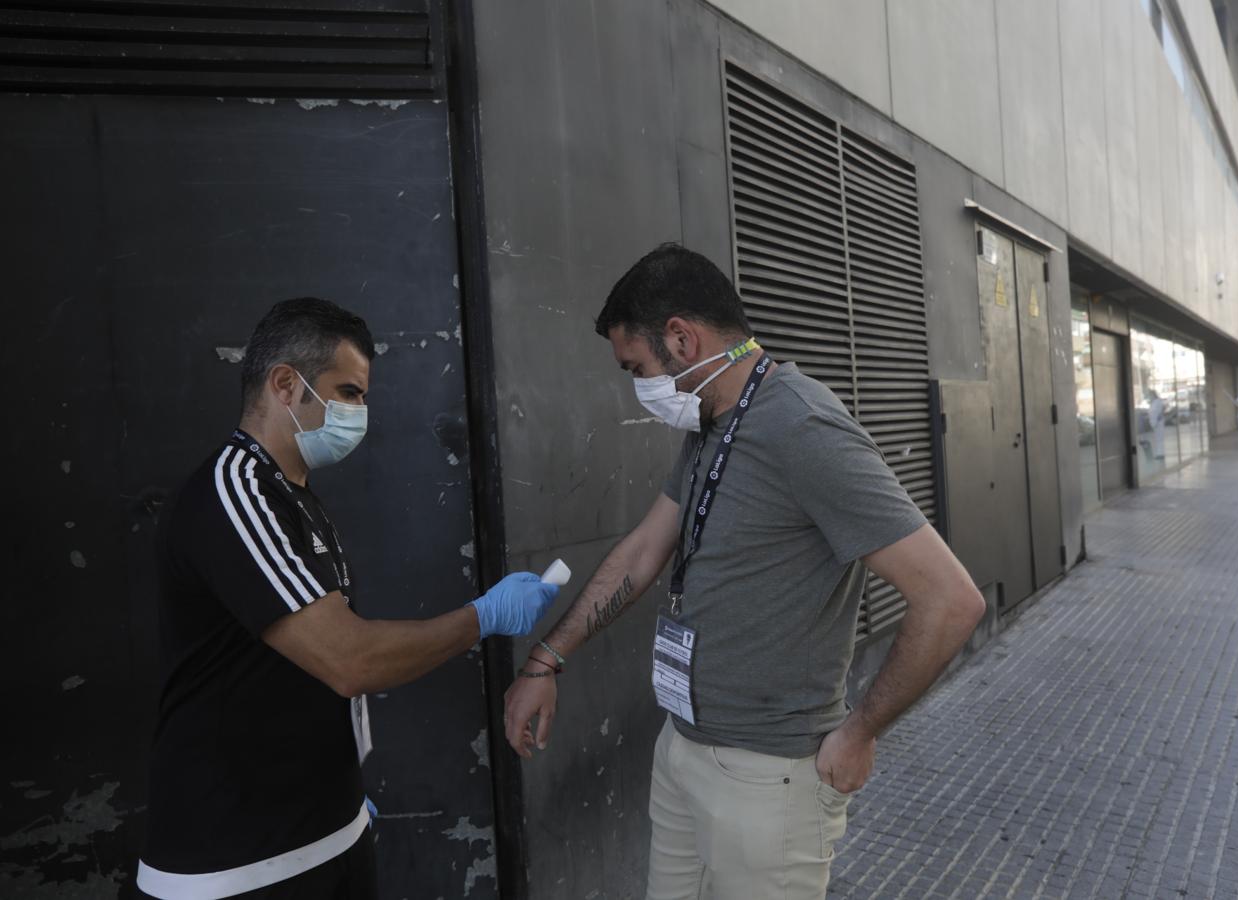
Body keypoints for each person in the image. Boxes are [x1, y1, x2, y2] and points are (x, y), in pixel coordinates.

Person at [503, 245, 986, 900]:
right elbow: (647, 548)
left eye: (637, 368)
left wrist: (861, 731)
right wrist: (545, 660)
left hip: (768, 780)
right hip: (682, 748)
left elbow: (951, 599)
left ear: (682, 337)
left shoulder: (803, 425)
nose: (638, 388)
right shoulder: (711, 420)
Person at [138, 298, 559, 899]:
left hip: (325, 832)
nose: (361, 411)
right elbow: (348, 659)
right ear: (287, 384)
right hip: (237, 863)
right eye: (350, 392)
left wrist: (340, 792)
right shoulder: (236, 492)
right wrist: (483, 617)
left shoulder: (297, 496)